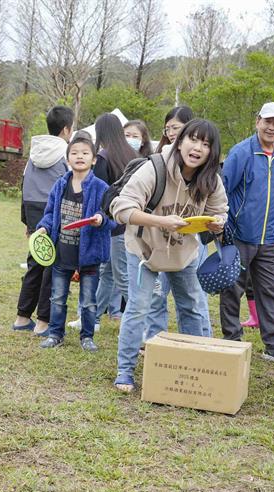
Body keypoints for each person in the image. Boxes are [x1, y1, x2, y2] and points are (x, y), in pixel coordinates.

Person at [111, 119, 228, 392]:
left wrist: (217, 222)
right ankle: (125, 371)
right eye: (193, 139)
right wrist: (162, 222)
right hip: (144, 250)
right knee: (138, 307)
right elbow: (122, 209)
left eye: (206, 144)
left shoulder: (211, 180)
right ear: (180, 140)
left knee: (191, 307)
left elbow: (220, 209)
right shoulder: (155, 168)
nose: (198, 148)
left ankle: (194, 366)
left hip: (183, 252)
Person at [219, 102, 274, 365]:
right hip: (239, 235)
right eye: (268, 121)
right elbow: (222, 189)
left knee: (272, 290)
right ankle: (231, 339)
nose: (272, 127)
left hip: (269, 239)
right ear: (258, 121)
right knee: (232, 288)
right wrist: (223, 225)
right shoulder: (241, 152)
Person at [35, 133, 115, 351]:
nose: (80, 156)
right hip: (62, 253)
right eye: (74, 153)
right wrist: (43, 227)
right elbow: (50, 214)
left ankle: (87, 337)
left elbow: (113, 218)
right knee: (57, 297)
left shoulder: (101, 187)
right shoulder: (60, 185)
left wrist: (102, 219)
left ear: (94, 159)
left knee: (88, 301)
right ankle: (55, 334)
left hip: (89, 255)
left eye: (85, 153)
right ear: (67, 158)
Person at [145, 106, 213, 339]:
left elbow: (217, 204)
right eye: (169, 128)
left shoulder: (205, 166)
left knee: (193, 297)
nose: (172, 132)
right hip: (158, 241)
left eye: (178, 127)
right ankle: (155, 340)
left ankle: (201, 341)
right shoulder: (156, 161)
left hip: (189, 241)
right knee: (156, 295)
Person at [13, 106, 74, 335]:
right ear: (67, 129)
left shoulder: (34, 152)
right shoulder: (67, 153)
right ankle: (44, 322)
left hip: (33, 208)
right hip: (55, 210)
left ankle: (22, 317)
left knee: (35, 261)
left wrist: (27, 222)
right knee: (53, 265)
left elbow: (24, 183)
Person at [86, 113, 137, 329]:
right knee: (108, 273)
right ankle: (93, 318)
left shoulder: (104, 157)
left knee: (122, 276)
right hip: (132, 220)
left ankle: (141, 323)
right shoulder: (132, 154)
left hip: (113, 225)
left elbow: (99, 193)